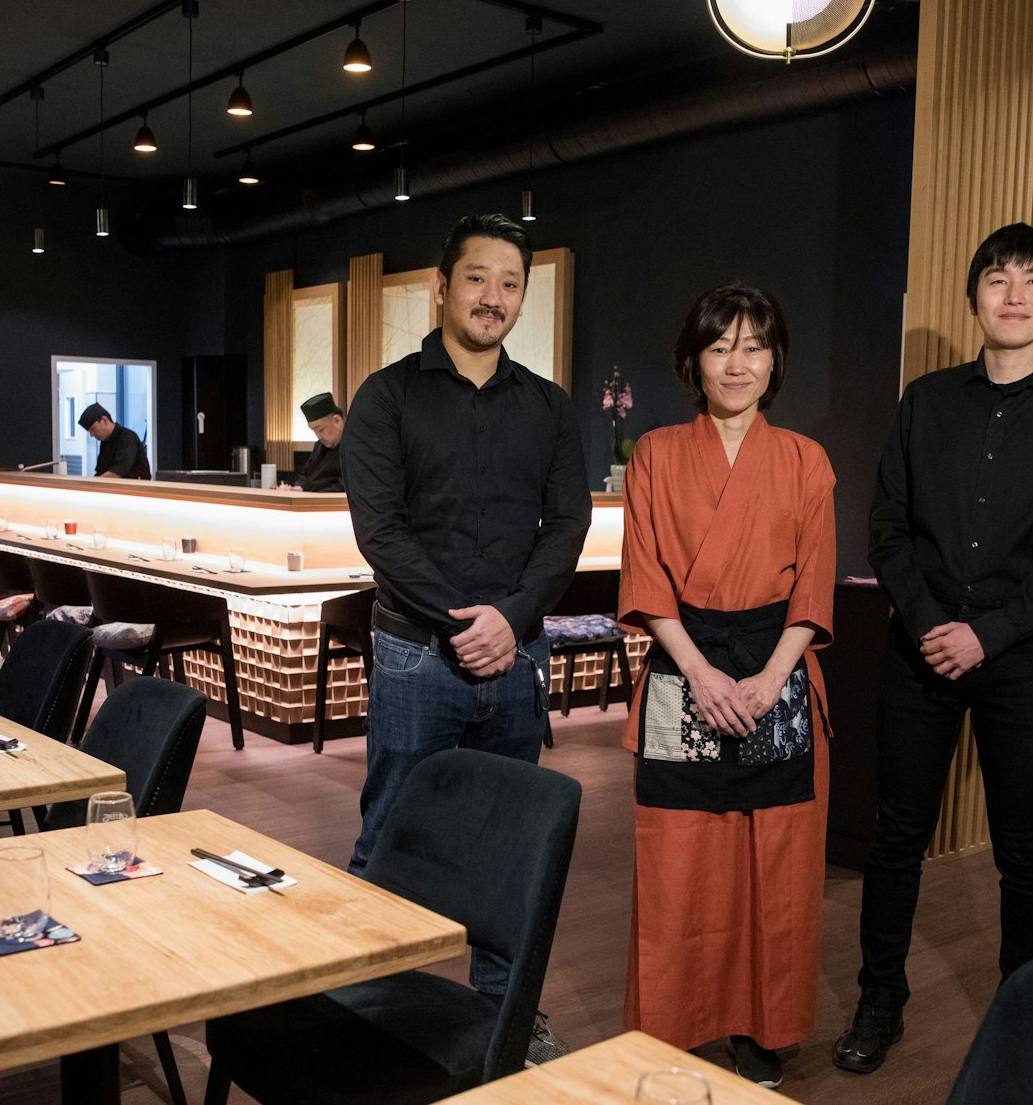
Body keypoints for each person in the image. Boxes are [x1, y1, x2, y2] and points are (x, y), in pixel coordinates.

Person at [835, 222, 1033, 1074]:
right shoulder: (925, 400)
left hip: (1023, 658)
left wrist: (988, 632)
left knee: (1025, 846)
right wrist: (932, 624)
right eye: (999, 278)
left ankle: (1026, 1024)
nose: (1015, 294)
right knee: (896, 836)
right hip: (919, 649)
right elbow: (887, 526)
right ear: (975, 296)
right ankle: (879, 1000)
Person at [342, 212, 590, 1062]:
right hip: (418, 653)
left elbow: (567, 525)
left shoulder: (549, 407)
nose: (494, 297)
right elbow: (382, 532)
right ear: (442, 287)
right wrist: (467, 619)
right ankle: (362, 1002)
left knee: (510, 844)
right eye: (477, 278)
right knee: (391, 831)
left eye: (510, 282)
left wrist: (511, 620)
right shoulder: (387, 395)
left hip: (517, 656)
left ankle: (506, 1016)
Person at [617, 284, 835, 1090]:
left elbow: (813, 589)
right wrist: (703, 673)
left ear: (774, 359)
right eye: (719, 347)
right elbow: (645, 578)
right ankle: (674, 1026)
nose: (736, 363)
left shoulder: (807, 460)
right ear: (693, 362)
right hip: (686, 670)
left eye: (753, 346)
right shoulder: (655, 454)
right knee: (681, 860)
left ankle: (764, 1030)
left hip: (777, 670)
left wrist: (772, 677)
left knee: (773, 866)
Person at [78, 402, 151, 480]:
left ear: (104, 420)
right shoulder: (105, 442)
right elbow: (101, 471)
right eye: (89, 431)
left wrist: (93, 483)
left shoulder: (127, 437)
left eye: (93, 429)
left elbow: (119, 471)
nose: (92, 434)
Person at [290, 392, 345, 492]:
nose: (318, 436)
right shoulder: (320, 445)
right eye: (314, 431)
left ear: (337, 421)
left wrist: (308, 489)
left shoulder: (356, 446)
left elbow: (343, 486)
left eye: (320, 430)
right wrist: (300, 487)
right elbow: (305, 473)